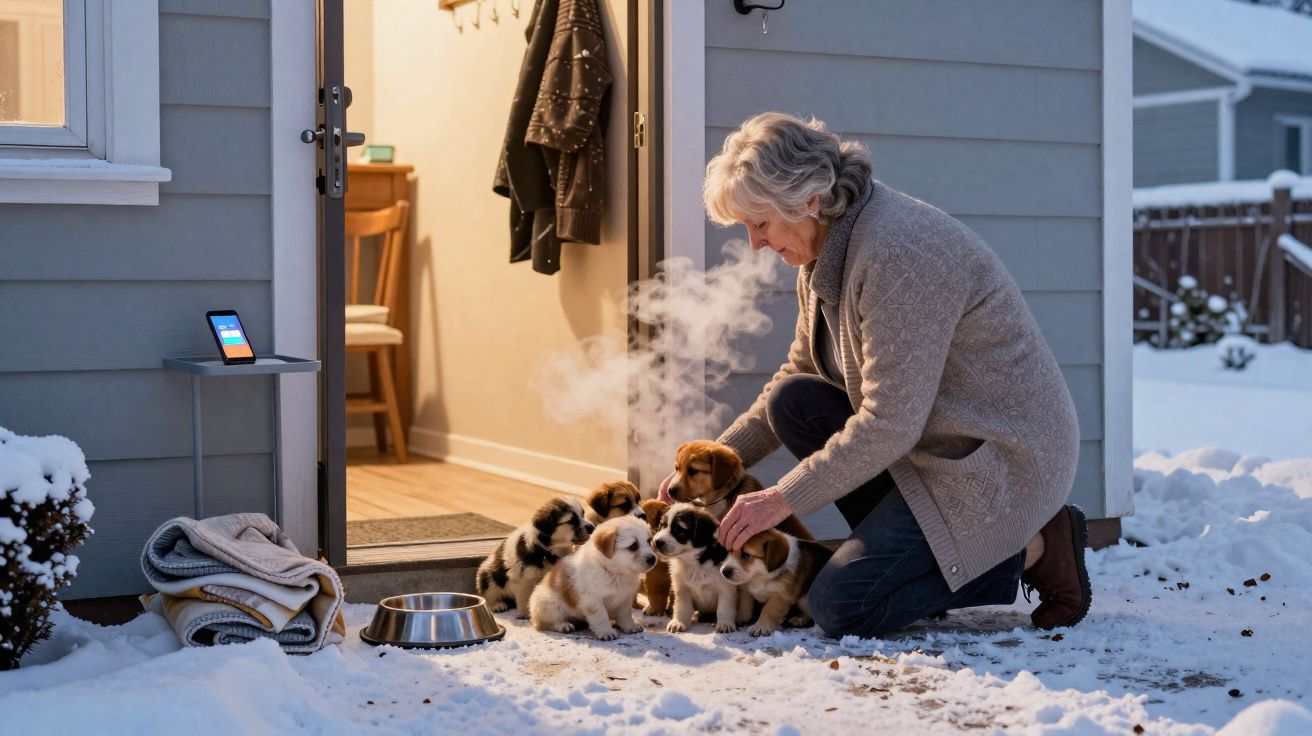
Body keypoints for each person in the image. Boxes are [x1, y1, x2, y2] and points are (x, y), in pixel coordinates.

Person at [658, 112, 1088, 637]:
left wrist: (780, 498)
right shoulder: (824, 250)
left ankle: (1035, 548)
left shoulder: (897, 254)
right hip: (928, 447)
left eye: (761, 224)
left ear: (809, 200)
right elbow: (802, 367)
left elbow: (889, 423)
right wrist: (715, 465)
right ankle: (902, 557)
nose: (755, 244)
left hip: (992, 464)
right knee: (794, 400)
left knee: (839, 607)